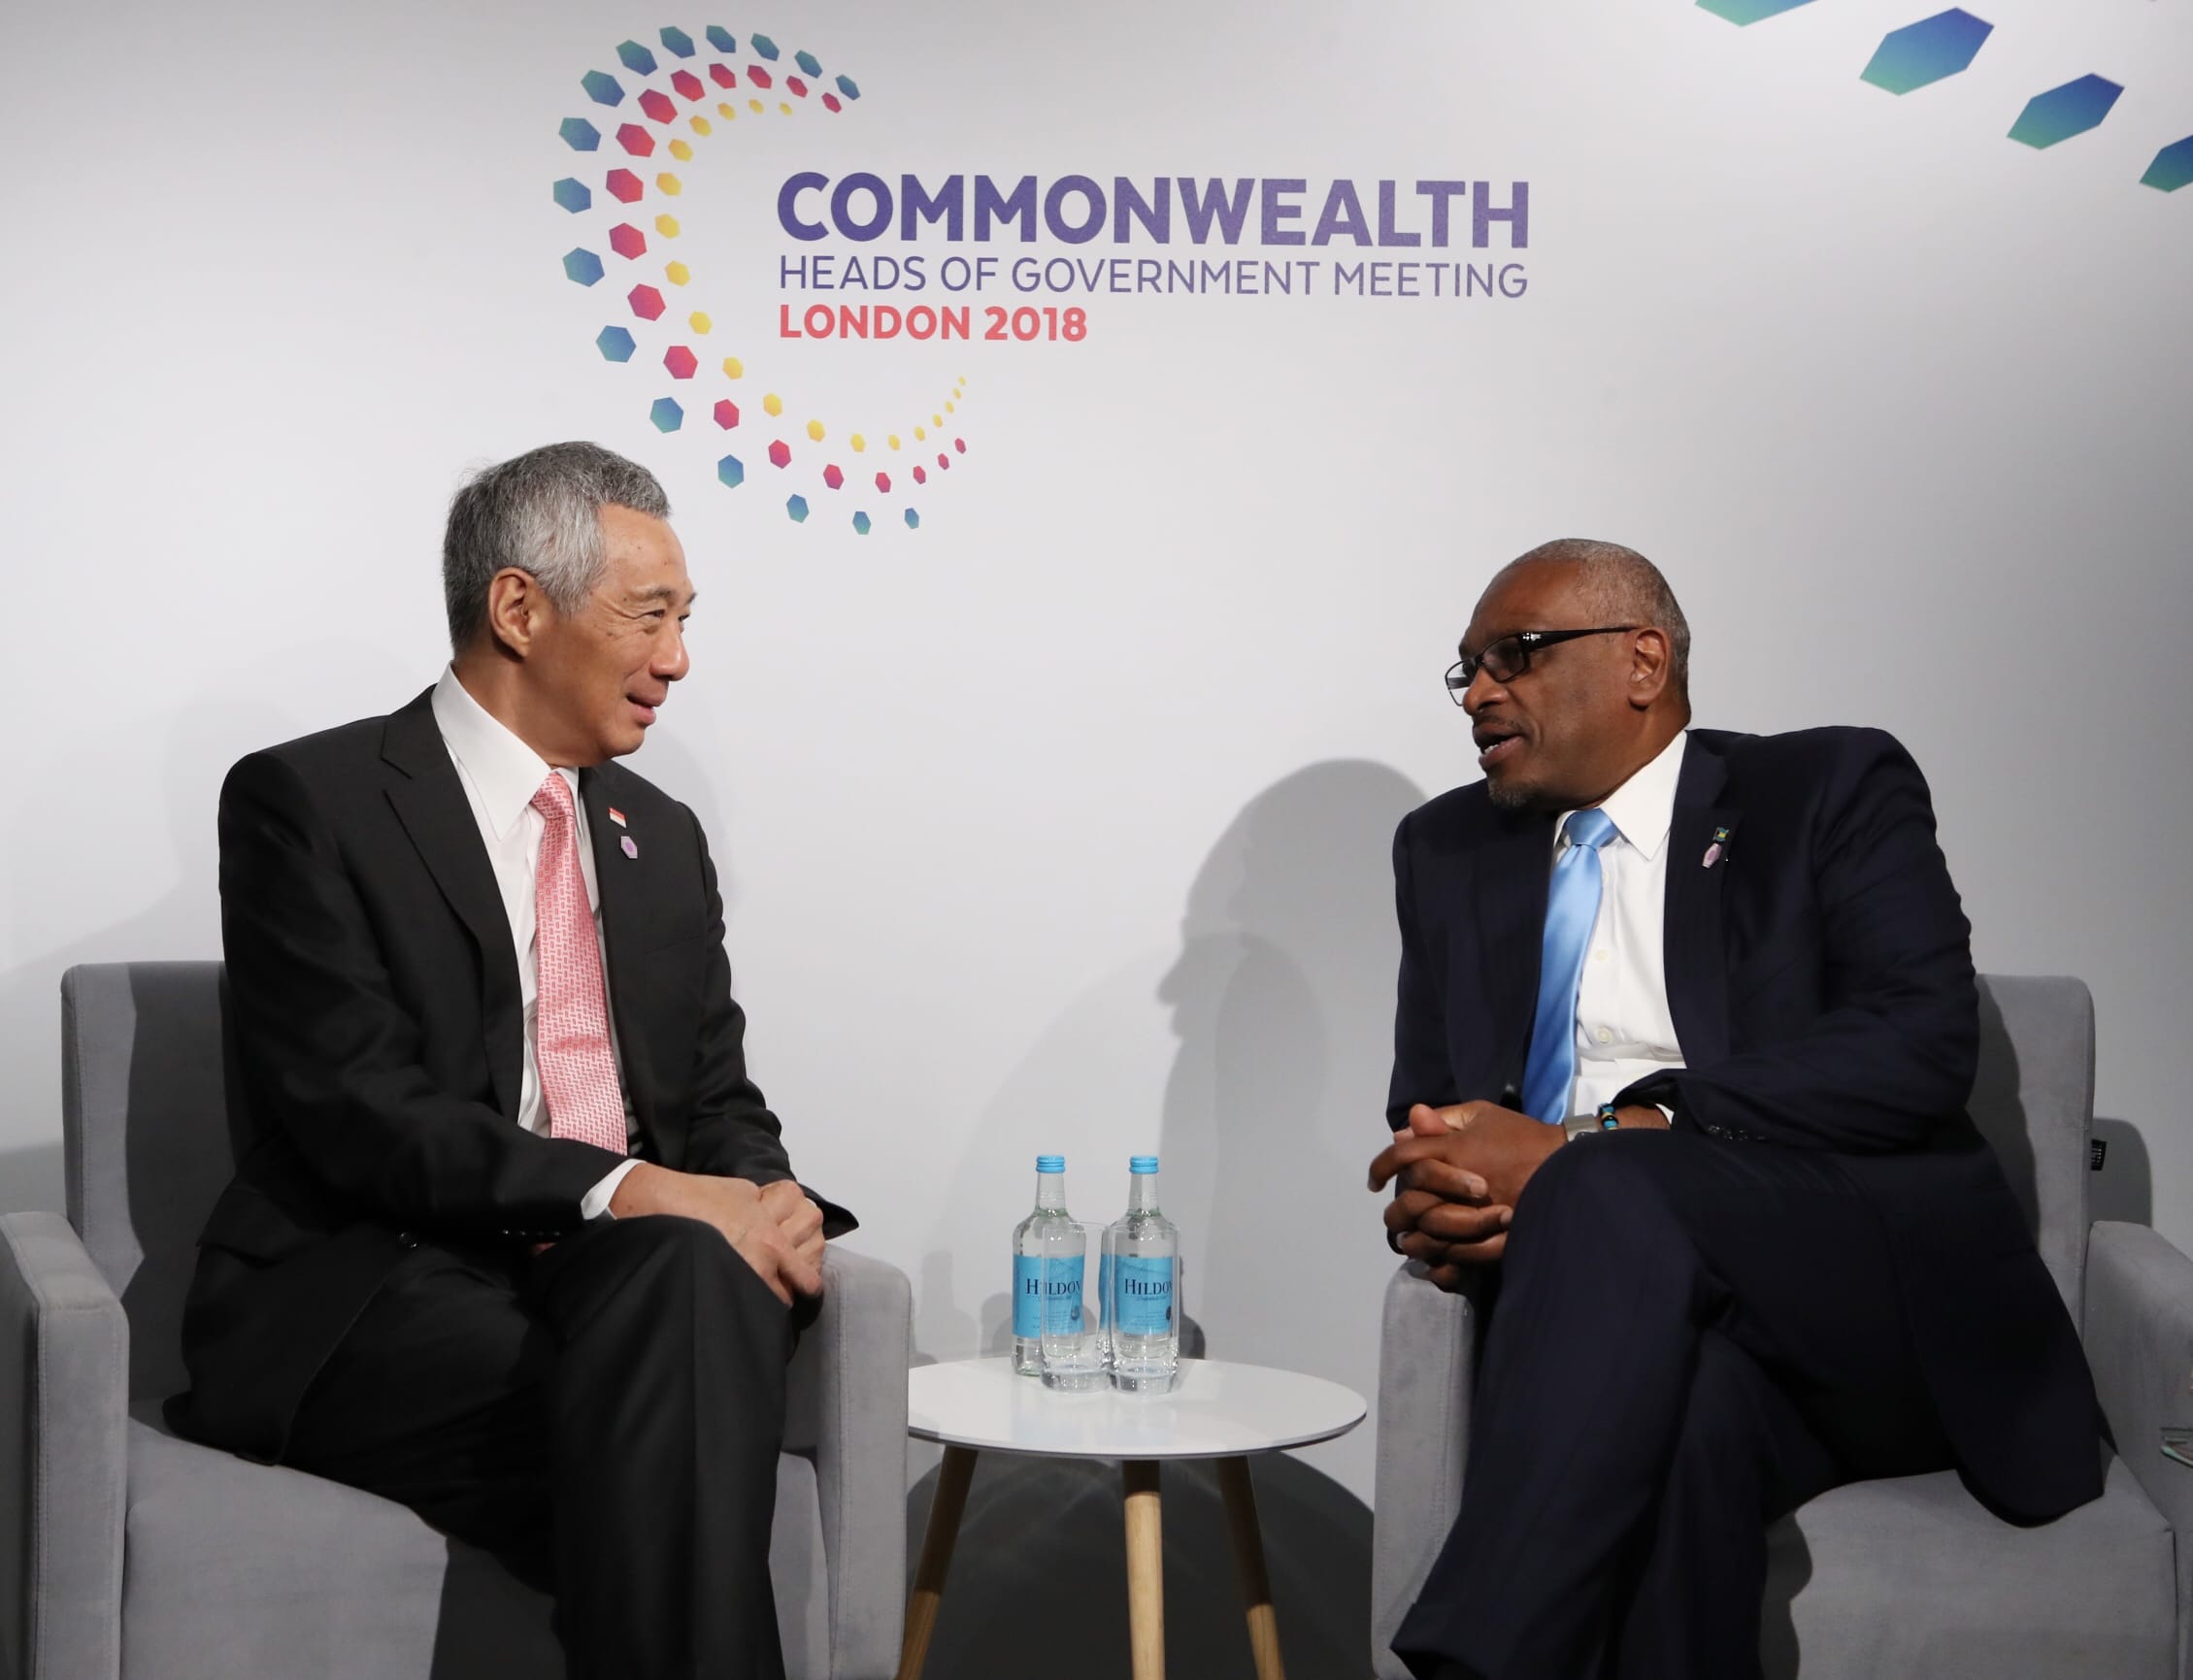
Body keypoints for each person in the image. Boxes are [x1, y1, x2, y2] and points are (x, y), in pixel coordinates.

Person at [168, 442, 850, 1680]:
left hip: (626, 1289)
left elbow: (712, 1095)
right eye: (651, 616)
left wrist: (764, 1191)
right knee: (678, 1384)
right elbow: (359, 1111)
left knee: (689, 1295)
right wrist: (635, 1189)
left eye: (686, 620)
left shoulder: (660, 835)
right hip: (387, 1287)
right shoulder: (308, 803)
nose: (678, 660)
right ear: (519, 608)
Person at [1368, 540, 2102, 1680]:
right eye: (1463, 668)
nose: (1478, 691)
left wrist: (1591, 1143)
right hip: (1623, 1320)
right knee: (1689, 1427)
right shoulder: (1446, 850)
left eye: (1515, 654)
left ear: (1643, 661)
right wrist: (1441, 1196)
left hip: (1856, 1293)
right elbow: (1433, 1109)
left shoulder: (1826, 788)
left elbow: (1919, 1046)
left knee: (1602, 1179)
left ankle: (1479, 1654)